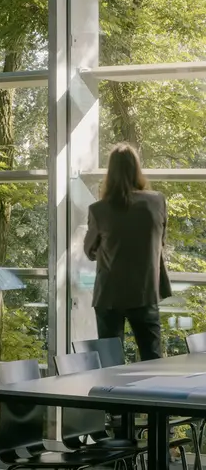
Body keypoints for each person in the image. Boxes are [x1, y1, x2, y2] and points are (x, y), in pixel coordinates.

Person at [84, 143, 170, 362]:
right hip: (145, 291)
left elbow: (90, 251)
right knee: (152, 357)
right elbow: (161, 241)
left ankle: (112, 396)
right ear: (137, 169)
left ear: (110, 173)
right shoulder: (156, 201)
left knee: (110, 362)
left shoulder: (99, 209)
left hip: (109, 295)